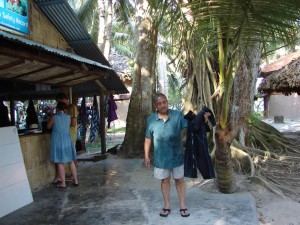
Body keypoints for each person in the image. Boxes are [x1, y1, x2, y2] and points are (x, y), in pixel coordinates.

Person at [144, 93, 190, 218]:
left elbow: (191, 125)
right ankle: (167, 205)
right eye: (159, 103)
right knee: (165, 181)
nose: (162, 105)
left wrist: (202, 118)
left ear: (167, 102)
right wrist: (146, 156)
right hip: (161, 158)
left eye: (164, 102)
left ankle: (182, 205)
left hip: (177, 156)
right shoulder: (151, 120)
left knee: (179, 180)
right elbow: (148, 139)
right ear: (155, 106)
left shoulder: (177, 115)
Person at [47, 102, 79, 188]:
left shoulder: (54, 117)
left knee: (60, 162)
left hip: (58, 141)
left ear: (57, 109)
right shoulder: (68, 117)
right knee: (71, 161)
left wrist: (50, 117)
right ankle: (76, 180)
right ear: (65, 109)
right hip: (67, 140)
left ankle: (63, 183)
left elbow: (48, 127)